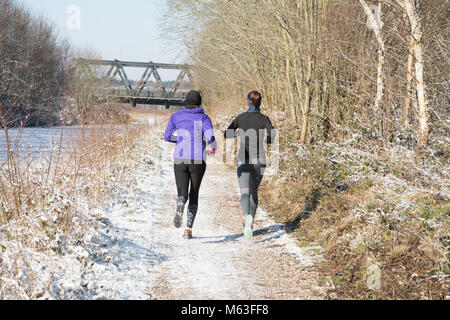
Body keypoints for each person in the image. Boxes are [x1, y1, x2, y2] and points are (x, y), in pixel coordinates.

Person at [164, 90, 217, 240]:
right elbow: (210, 137)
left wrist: (180, 140)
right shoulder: (204, 118)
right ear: (199, 104)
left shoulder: (176, 117)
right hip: (197, 160)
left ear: (186, 103)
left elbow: (167, 136)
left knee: (182, 192)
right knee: (194, 194)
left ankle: (180, 202)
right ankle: (188, 230)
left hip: (180, 159)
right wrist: (213, 147)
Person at [224, 91, 275, 240]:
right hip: (259, 160)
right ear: (260, 103)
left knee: (245, 191)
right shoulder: (264, 119)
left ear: (248, 102)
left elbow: (227, 133)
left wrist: (239, 135)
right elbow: (272, 133)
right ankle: (251, 220)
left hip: (244, 159)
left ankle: (247, 218)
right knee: (254, 191)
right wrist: (268, 142)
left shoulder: (240, 118)